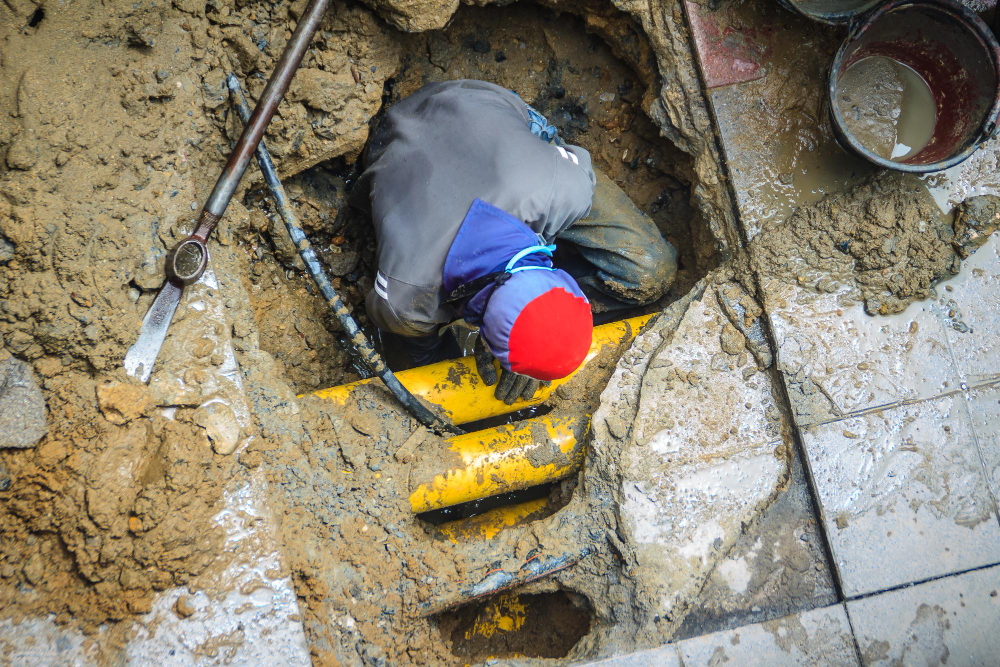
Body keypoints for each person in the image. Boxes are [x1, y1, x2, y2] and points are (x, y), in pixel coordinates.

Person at [351, 80, 677, 404]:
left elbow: (572, 176)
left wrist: (528, 336)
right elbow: (416, 350)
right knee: (421, 365)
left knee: (648, 270)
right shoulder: (406, 300)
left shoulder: (564, 189)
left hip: (476, 115)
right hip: (398, 143)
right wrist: (490, 335)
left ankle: (526, 315)